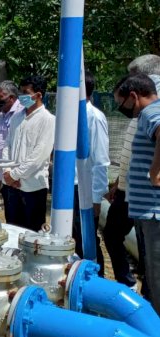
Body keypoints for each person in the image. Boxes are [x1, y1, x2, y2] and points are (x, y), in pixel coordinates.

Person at [104, 54, 160, 292]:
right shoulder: (144, 109)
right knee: (146, 261)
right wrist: (120, 180)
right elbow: (134, 150)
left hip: (150, 205)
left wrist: (155, 172)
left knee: (153, 264)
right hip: (134, 195)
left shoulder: (150, 107)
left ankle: (150, 311)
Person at [116, 73, 160, 311]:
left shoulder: (150, 112)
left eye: (122, 104)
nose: (123, 109)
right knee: (151, 278)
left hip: (154, 212)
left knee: (157, 277)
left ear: (133, 96)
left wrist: (155, 171)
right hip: (147, 211)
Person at [2, 75, 55, 232]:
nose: (21, 96)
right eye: (21, 92)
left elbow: (39, 155)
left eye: (26, 92)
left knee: (32, 233)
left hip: (32, 187)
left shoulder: (48, 120)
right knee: (12, 229)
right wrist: (7, 172)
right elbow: (7, 145)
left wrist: (16, 175)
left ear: (38, 95)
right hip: (10, 185)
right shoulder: (17, 117)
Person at [71, 71, 109, 276]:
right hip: (70, 186)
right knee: (73, 237)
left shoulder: (94, 117)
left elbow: (101, 160)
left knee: (87, 239)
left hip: (84, 188)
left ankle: (96, 279)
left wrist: (96, 198)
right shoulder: (68, 116)